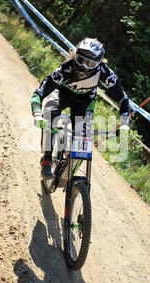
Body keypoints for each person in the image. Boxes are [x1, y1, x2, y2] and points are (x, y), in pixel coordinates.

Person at [31, 37, 130, 180]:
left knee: (83, 141)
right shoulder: (65, 68)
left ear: (99, 63)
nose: (84, 66)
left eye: (90, 63)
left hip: (85, 102)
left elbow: (123, 99)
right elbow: (41, 91)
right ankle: (46, 159)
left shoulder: (104, 73)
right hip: (62, 94)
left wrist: (125, 123)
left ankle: (71, 167)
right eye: (80, 59)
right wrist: (37, 114)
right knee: (49, 114)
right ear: (74, 55)